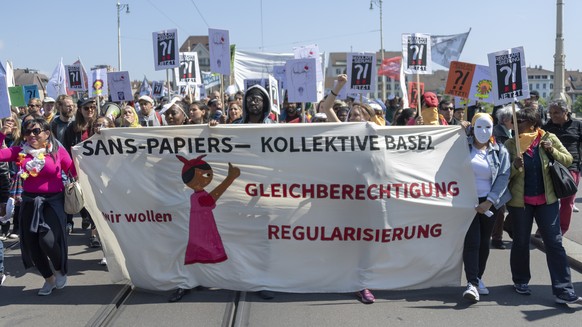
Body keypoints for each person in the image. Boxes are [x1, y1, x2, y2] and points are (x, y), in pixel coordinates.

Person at [504, 108, 582, 304]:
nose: (516, 124)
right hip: (520, 203)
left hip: (547, 201)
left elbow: (568, 159)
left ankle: (563, 289)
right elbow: (503, 175)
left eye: (520, 120)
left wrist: (552, 150)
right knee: (521, 242)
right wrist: (514, 166)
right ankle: (521, 280)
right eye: (515, 120)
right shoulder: (511, 144)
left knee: (554, 243)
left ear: (532, 123)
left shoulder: (548, 137)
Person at [0, 118, 76, 296]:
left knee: (47, 240)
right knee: (32, 245)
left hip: (53, 202)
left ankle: (59, 269)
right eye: (27, 132)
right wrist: (2, 133)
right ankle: (48, 278)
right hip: (29, 202)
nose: (31, 135)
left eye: (36, 131)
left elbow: (74, 171)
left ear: (47, 134)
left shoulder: (57, 152)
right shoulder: (20, 151)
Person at [461, 113, 511, 303]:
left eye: (487, 127)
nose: (483, 131)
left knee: (484, 242)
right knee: (472, 241)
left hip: (490, 203)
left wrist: (489, 201)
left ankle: (478, 277)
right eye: (479, 127)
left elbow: (503, 177)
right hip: (468, 202)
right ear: (472, 128)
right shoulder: (462, 146)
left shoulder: (500, 151)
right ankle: (472, 283)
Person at [63, 98, 100, 246]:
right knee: (88, 203)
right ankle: (92, 227)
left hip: (99, 170)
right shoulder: (72, 128)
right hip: (81, 170)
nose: (90, 110)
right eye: (86, 108)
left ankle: (95, 234)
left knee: (98, 204)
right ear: (80, 110)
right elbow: (67, 150)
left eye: (92, 107)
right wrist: (72, 171)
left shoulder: (99, 124)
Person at [542, 99, 582, 235]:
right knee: (548, 200)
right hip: (552, 167)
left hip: (572, 167)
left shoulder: (578, 125)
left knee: (568, 201)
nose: (553, 116)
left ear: (566, 112)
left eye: (556, 113)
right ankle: (545, 229)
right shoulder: (546, 127)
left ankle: (560, 230)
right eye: (551, 113)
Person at [490, 105, 515, 249]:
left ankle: (508, 227)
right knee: (499, 208)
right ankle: (497, 238)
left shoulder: (513, 132)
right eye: (514, 118)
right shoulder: (496, 132)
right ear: (505, 119)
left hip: (512, 173)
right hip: (499, 174)